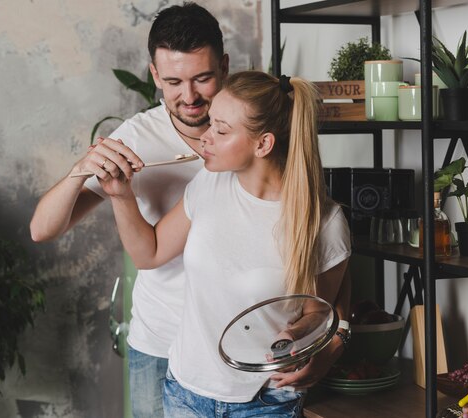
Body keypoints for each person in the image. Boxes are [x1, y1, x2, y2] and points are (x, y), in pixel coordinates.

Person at [98, 70, 351, 417]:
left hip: (265, 402)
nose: (206, 138)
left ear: (263, 144)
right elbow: (149, 253)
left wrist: (301, 339)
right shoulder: (208, 185)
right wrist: (121, 195)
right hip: (185, 393)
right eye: (210, 123)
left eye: (221, 129)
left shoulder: (325, 222)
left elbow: (321, 312)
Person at [29, 3, 228, 417]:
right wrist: (77, 172)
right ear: (154, 75)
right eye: (172, 81)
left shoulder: (253, 128)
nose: (188, 97)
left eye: (202, 78)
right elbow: (41, 230)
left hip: (234, 347)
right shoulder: (136, 136)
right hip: (161, 346)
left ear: (224, 66)